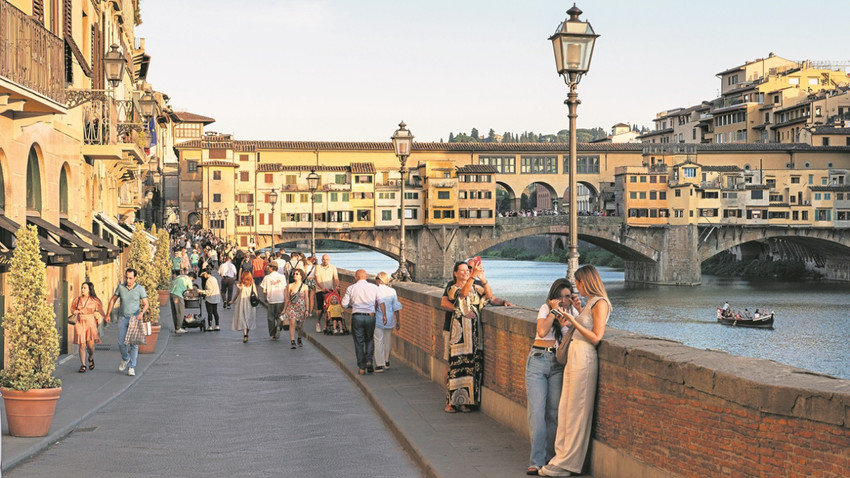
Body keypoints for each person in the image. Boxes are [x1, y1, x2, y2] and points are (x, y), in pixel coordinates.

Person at [538, 265, 611, 478]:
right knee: (566, 410)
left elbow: (597, 336)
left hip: (585, 357)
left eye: (578, 282)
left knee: (577, 411)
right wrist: (573, 320)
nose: (577, 287)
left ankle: (569, 463)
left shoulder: (601, 303)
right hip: (575, 355)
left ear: (585, 281)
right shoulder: (589, 304)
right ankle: (560, 458)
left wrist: (571, 320)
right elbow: (584, 329)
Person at [524, 279, 580, 476]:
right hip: (538, 361)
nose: (564, 300)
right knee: (537, 412)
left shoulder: (574, 313)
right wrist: (555, 313)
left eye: (567, 296)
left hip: (558, 364)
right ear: (554, 297)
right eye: (561, 297)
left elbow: (580, 335)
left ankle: (550, 458)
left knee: (554, 413)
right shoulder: (545, 308)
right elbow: (541, 331)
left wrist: (577, 310)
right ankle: (536, 461)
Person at [105, 268, 150, 377]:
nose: (128, 280)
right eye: (127, 277)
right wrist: (108, 314)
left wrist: (141, 313)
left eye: (130, 278)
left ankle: (131, 367)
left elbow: (146, 303)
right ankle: (125, 358)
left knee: (134, 344)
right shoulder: (121, 287)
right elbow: (113, 299)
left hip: (134, 318)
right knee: (121, 342)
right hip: (122, 318)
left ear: (135, 278)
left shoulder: (140, 289)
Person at [341, 269, 379, 374]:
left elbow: (344, 304)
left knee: (359, 342)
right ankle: (369, 360)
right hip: (371, 316)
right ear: (366, 277)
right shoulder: (374, 287)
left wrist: (351, 306)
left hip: (357, 316)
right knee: (370, 339)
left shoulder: (351, 288)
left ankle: (362, 366)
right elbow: (380, 301)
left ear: (355, 278)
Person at [70, 282, 107, 373]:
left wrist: (106, 316)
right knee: (82, 344)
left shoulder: (94, 300)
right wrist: (74, 312)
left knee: (90, 346)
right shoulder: (77, 299)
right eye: (82, 287)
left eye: (84, 288)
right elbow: (72, 309)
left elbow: (100, 309)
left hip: (90, 322)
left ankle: (90, 357)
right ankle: (83, 365)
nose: (82, 289)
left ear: (89, 289)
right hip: (79, 321)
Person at [373, 272, 402, 373]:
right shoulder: (392, 291)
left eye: (377, 278)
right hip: (389, 318)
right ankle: (387, 361)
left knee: (378, 341)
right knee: (388, 340)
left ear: (380, 280)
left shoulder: (375, 290)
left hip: (378, 318)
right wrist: (398, 321)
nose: (375, 280)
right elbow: (396, 307)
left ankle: (379, 364)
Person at [283, 268, 311, 349]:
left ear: (301, 276)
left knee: (300, 326)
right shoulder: (290, 286)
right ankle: (292, 341)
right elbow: (287, 298)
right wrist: (284, 309)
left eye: (297, 274)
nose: (295, 275)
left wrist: (307, 309)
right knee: (292, 323)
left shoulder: (305, 287)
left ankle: (299, 338)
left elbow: (307, 298)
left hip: (301, 308)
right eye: (294, 274)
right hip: (291, 307)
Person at [261, 262, 288, 340]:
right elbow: (285, 289)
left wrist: (268, 293)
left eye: (269, 267)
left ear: (272, 268)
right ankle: (279, 326)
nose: (267, 268)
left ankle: (272, 334)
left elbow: (263, 290)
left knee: (271, 318)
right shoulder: (282, 277)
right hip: (281, 299)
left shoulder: (267, 277)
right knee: (282, 315)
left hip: (272, 299)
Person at [314, 254, 340, 333]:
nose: (325, 261)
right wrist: (322, 287)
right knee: (320, 309)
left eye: (327, 259)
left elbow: (335, 278)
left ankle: (325, 326)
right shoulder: (318, 267)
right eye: (324, 259)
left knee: (328, 308)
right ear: (321, 260)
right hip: (320, 290)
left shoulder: (332, 267)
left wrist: (337, 286)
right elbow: (317, 279)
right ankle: (318, 323)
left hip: (330, 290)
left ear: (329, 260)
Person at [230, 271, 257, 343]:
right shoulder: (252, 284)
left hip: (242, 303)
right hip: (250, 304)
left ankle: (245, 335)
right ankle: (246, 331)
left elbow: (237, 294)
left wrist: (232, 300)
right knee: (249, 318)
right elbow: (256, 294)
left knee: (243, 319)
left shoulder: (240, 285)